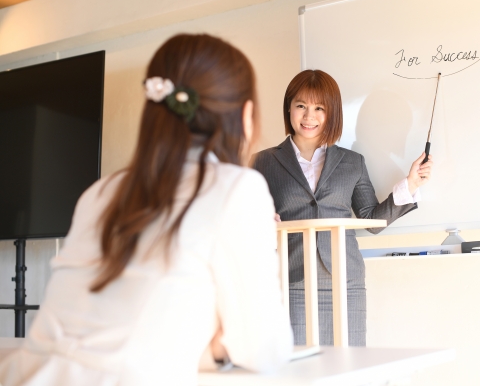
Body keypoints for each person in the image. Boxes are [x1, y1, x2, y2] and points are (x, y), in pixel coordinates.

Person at [0, 34, 293, 386]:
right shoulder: (235, 189)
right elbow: (266, 351)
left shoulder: (100, 192)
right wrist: (220, 344)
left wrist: (209, 348)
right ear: (245, 115)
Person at [252, 69, 432, 346]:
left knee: (349, 366)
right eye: (301, 106)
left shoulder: (352, 162)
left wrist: (409, 184)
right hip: (290, 282)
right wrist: (258, 220)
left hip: (344, 282)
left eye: (319, 108)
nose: (309, 116)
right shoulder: (262, 162)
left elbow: (371, 221)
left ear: (332, 113)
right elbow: (248, 221)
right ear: (289, 108)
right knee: (297, 370)